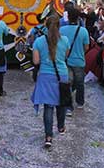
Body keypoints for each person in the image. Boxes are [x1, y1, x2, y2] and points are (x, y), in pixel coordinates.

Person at [31, 15, 69, 148]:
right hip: (62, 74)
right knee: (62, 102)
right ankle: (61, 127)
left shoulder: (39, 41)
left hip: (45, 75)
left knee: (48, 106)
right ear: (59, 26)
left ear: (45, 26)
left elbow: (35, 61)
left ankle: (48, 136)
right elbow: (65, 56)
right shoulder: (65, 40)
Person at [60, 8, 89, 114]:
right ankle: (80, 102)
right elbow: (86, 47)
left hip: (65, 60)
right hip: (79, 60)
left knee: (67, 83)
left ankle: (68, 107)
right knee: (80, 83)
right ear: (78, 18)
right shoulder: (83, 31)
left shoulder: (61, 30)